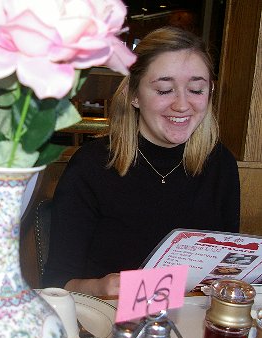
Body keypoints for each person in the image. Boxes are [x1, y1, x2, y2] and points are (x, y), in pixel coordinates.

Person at [43, 26, 240, 297]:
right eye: (164, 90)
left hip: (191, 323)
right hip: (107, 323)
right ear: (134, 95)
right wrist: (102, 287)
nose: (182, 105)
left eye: (196, 89)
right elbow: (55, 283)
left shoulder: (220, 164)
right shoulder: (92, 166)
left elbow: (224, 271)